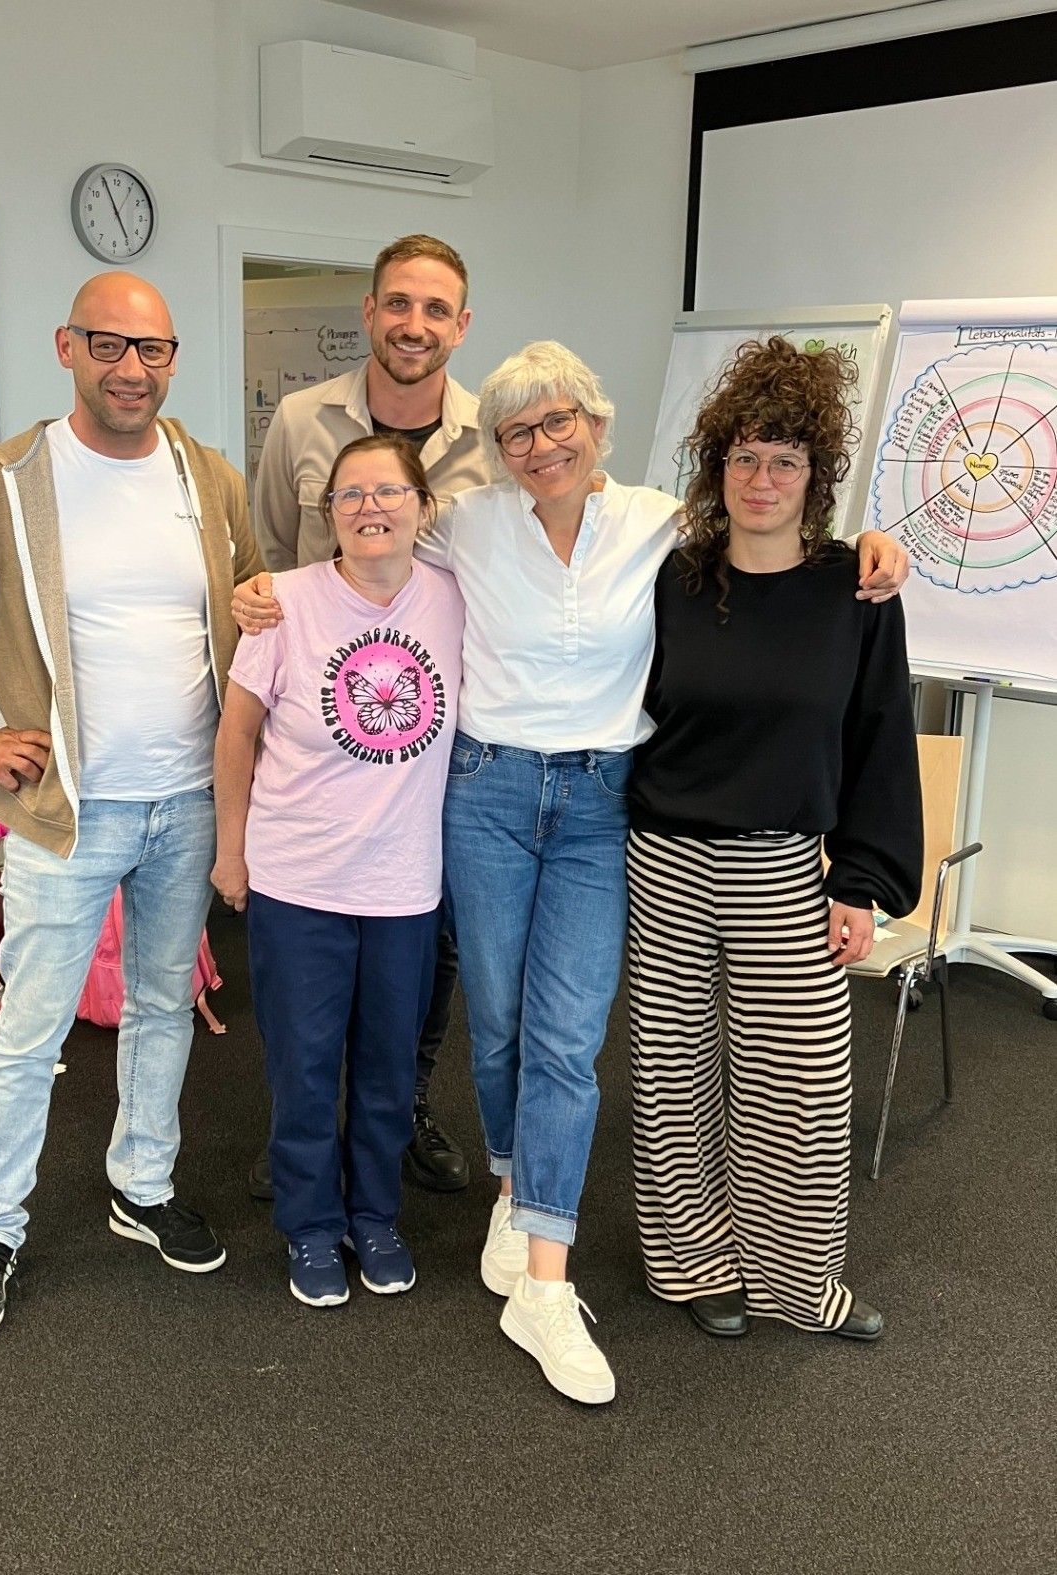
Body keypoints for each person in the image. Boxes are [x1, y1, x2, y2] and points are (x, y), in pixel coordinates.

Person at [233, 339, 909, 1403]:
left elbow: (772, 534)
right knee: (495, 1023)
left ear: (597, 425)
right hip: (488, 797)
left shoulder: (660, 525)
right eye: (517, 431)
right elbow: (375, 547)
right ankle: (514, 1184)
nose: (541, 445)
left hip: (603, 805)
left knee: (566, 1034)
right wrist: (264, 592)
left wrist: (871, 543)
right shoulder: (467, 525)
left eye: (560, 424)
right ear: (496, 449)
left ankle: (546, 1278)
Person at [0, 272, 261, 1343]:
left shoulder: (205, 477)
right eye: (110, 344)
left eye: (155, 349)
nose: (133, 368)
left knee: (163, 1008)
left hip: (186, 806)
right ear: (67, 347)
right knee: (29, 1032)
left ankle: (143, 1184)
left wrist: (258, 610)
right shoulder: (5, 484)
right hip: (67, 816)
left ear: (174, 359)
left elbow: (252, 603)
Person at [625, 335, 923, 1342]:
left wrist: (864, 878)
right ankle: (695, 1265)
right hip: (663, 858)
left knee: (797, 1083)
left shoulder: (858, 592)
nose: (761, 478)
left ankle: (800, 1285)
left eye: (784, 460)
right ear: (718, 468)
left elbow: (882, 736)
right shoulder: (666, 580)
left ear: (815, 476)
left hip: (786, 865)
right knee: (673, 1075)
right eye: (744, 456)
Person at [247, 233, 495, 1198]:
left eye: (436, 310)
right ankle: (305, 1137)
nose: (415, 325)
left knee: (421, 955)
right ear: (369, 311)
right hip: (327, 747)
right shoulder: (303, 422)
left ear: (462, 326)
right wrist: (251, 601)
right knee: (311, 978)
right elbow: (272, 553)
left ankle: (405, 1109)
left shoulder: (498, 435)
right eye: (399, 304)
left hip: (441, 746)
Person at [214, 434, 463, 1306]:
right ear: (329, 516)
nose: (370, 508)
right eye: (350, 495)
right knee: (306, 1065)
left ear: (421, 507)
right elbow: (236, 733)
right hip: (298, 881)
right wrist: (230, 850)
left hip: (404, 885)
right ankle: (311, 1225)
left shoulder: (454, 599)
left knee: (391, 1066)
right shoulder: (283, 602)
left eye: (388, 491)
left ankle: (375, 1214)